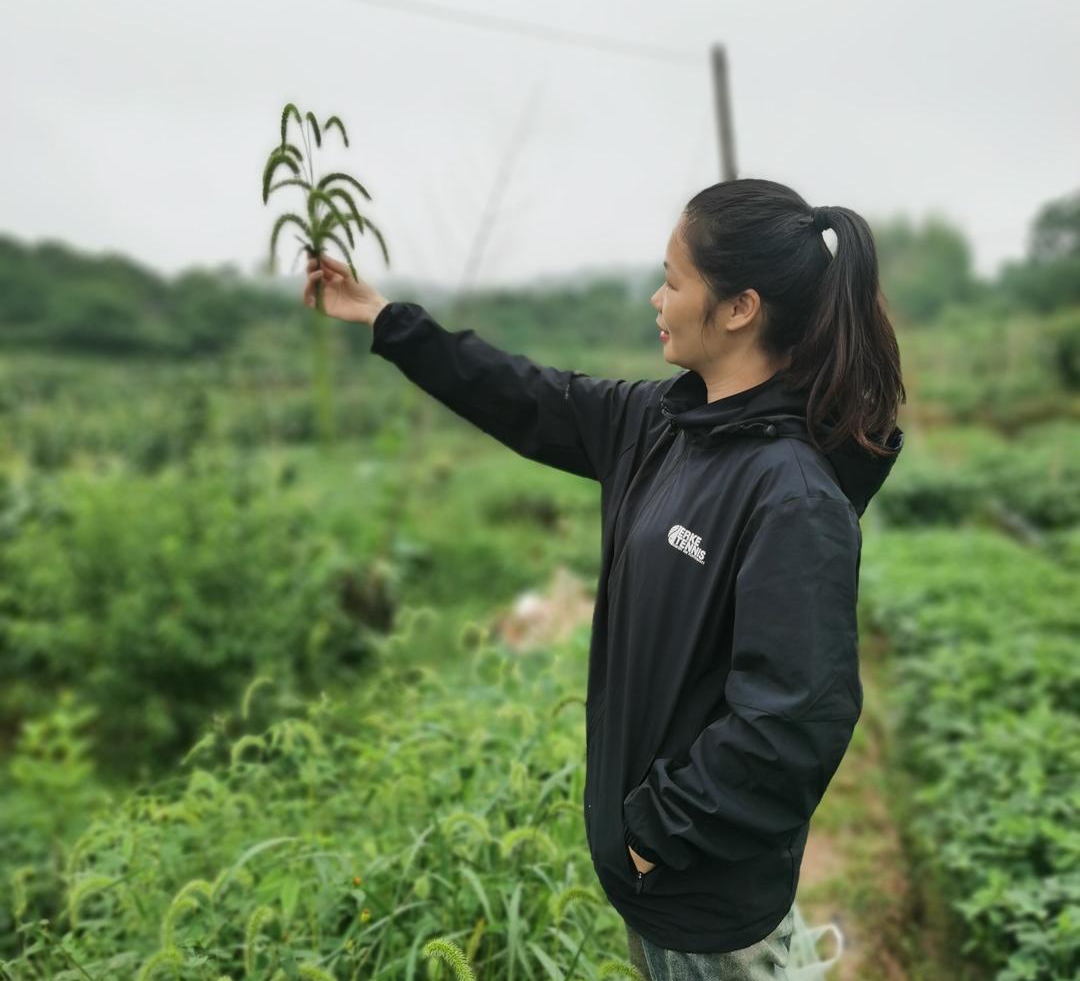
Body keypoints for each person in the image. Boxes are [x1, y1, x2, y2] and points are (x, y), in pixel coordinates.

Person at [302, 178, 905, 981]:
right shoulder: (660, 425)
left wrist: (655, 835)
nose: (657, 299)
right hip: (657, 893)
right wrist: (384, 318)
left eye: (674, 279)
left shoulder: (791, 497)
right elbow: (524, 394)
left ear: (739, 308)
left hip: (711, 916)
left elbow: (794, 723)